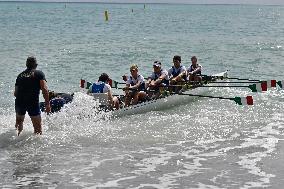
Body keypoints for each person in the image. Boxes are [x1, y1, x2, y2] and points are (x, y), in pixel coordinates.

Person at [14, 56, 51, 136]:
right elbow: (44, 89)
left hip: (19, 102)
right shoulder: (39, 73)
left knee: (19, 124)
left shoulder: (20, 75)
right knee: (37, 128)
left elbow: (15, 93)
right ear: (36, 65)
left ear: (26, 64)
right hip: (32, 103)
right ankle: (36, 146)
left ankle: (15, 142)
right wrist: (47, 104)